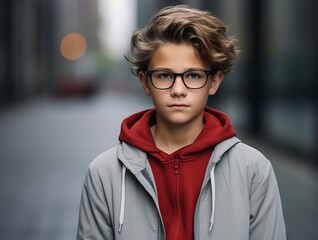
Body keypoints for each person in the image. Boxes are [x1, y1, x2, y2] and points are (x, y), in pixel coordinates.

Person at [76, 5, 286, 240]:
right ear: (145, 82)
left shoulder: (253, 170)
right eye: (164, 75)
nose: (178, 90)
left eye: (193, 76)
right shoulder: (104, 173)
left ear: (214, 82)